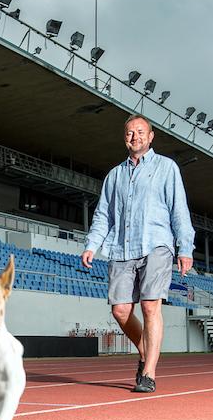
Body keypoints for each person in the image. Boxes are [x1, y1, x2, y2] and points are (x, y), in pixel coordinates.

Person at [81, 114, 194, 393]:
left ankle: (149, 373)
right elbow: (103, 215)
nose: (136, 137)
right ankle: (145, 352)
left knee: (150, 305)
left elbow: (179, 210)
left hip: (157, 245)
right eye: (130, 133)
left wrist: (185, 248)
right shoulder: (114, 175)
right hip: (121, 248)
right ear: (125, 138)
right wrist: (91, 244)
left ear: (151, 136)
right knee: (120, 311)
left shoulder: (166, 168)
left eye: (141, 132)